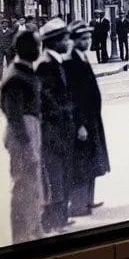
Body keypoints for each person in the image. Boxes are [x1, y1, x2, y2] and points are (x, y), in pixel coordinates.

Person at [0, 29, 44, 244]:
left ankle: (34, 229)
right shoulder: (16, 76)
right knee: (24, 186)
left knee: (33, 185)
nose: (39, 50)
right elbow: (14, 115)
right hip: (23, 135)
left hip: (30, 130)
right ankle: (22, 236)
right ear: (27, 49)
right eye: (36, 46)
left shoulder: (24, 70)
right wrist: (27, 145)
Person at [63, 21, 110, 218]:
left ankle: (88, 200)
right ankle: (78, 205)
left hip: (92, 118)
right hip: (82, 121)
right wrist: (80, 124)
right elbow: (73, 96)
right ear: (74, 41)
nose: (88, 41)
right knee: (81, 163)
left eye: (89, 38)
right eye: (83, 39)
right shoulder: (71, 61)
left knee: (91, 160)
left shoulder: (81, 58)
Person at [36, 18, 75, 234]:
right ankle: (52, 221)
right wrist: (67, 112)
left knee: (63, 172)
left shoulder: (55, 61)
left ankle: (60, 218)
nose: (68, 41)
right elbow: (48, 99)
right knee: (55, 175)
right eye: (64, 38)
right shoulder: (45, 64)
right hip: (53, 131)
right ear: (54, 41)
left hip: (61, 129)